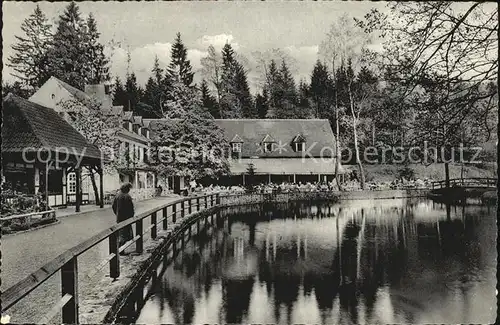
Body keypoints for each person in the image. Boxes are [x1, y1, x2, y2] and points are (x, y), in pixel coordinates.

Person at [112, 183, 134, 254]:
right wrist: (131, 216)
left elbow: (113, 206)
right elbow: (131, 208)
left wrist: (117, 214)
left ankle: (120, 250)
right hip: (126, 218)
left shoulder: (118, 195)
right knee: (124, 235)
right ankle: (121, 251)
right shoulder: (127, 196)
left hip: (119, 218)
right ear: (126, 189)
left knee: (121, 234)